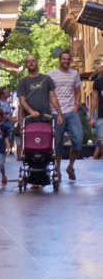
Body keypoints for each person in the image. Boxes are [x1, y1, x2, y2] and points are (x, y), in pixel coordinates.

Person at [48, 49, 83, 181]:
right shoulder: (51, 74)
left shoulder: (75, 74)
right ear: (59, 60)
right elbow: (48, 92)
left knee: (78, 141)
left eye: (68, 59)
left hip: (71, 112)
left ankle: (70, 166)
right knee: (57, 144)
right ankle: (57, 170)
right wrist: (50, 106)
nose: (66, 61)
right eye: (64, 59)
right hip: (56, 113)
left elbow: (78, 91)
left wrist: (76, 106)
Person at [0, 86, 15, 155]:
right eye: (6, 92)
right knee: (0, 142)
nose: (8, 93)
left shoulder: (7, 102)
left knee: (7, 141)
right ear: (2, 95)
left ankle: (2, 159)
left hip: (8, 125)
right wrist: (6, 116)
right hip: (1, 125)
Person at [91, 69, 103, 159]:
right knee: (101, 142)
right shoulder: (98, 82)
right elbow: (94, 99)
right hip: (102, 117)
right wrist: (91, 117)